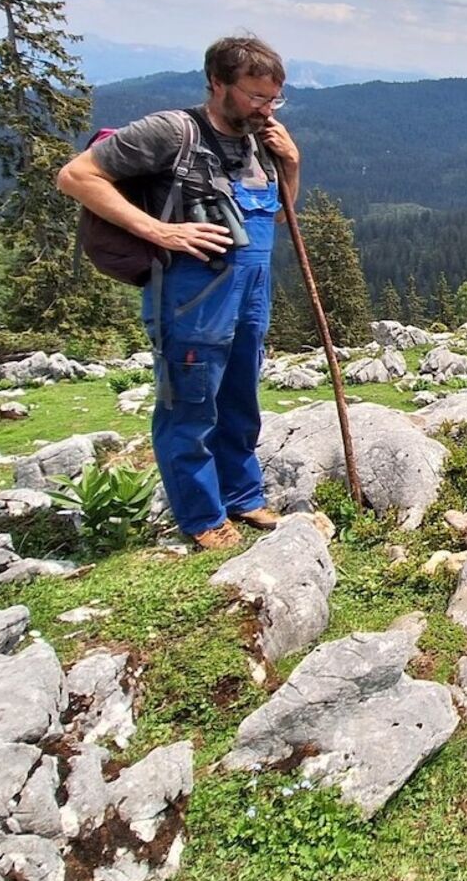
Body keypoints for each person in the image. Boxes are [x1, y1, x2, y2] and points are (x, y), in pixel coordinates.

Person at [56, 35, 301, 550]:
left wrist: (292, 166)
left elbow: (280, 217)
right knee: (189, 405)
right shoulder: (172, 132)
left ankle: (244, 497)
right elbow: (76, 176)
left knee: (240, 399)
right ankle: (201, 518)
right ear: (217, 83)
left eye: (274, 99)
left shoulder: (262, 140)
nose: (265, 109)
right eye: (256, 97)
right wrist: (161, 231)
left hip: (250, 292)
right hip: (191, 296)